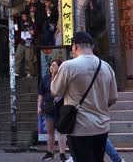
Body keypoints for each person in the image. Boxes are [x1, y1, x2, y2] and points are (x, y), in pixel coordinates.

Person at [51, 32, 118, 162]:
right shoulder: (106, 66)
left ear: (75, 46)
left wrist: (54, 75)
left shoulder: (68, 66)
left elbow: (55, 91)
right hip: (102, 127)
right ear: (92, 46)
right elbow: (113, 98)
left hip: (79, 128)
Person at [38, 59, 68, 161]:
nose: (52, 67)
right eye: (51, 65)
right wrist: (39, 106)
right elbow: (41, 94)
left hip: (60, 107)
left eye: (54, 65)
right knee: (50, 131)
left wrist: (60, 97)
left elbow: (64, 91)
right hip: (48, 107)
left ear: (60, 67)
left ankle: (62, 153)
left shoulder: (62, 78)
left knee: (60, 131)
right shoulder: (45, 78)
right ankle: (50, 152)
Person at [15, 12, 36, 77]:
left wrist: (32, 32)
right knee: (17, 55)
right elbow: (16, 30)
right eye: (22, 16)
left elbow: (35, 32)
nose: (23, 18)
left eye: (25, 16)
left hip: (29, 42)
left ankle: (29, 72)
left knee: (28, 58)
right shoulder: (19, 22)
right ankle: (16, 71)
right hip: (21, 42)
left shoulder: (32, 23)